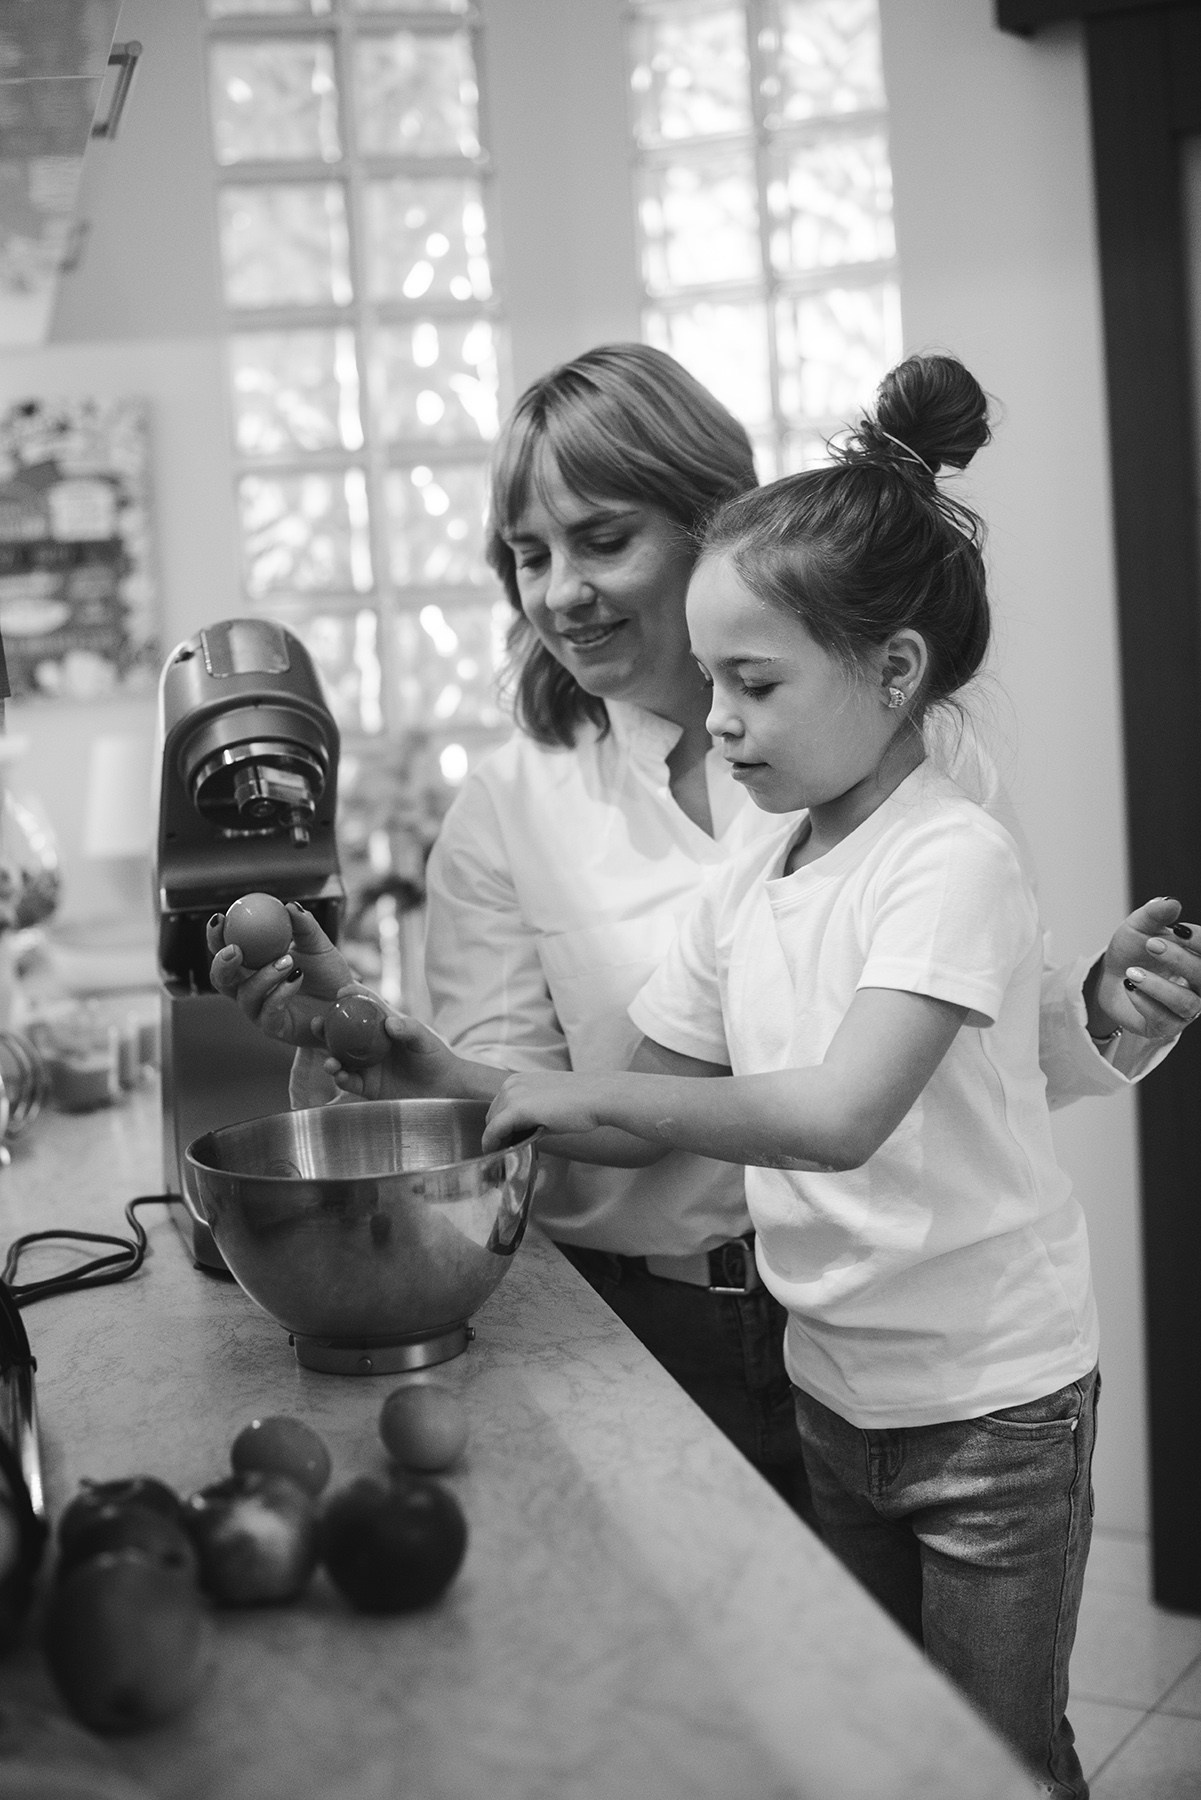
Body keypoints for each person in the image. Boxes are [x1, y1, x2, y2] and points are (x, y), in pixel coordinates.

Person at [207, 344, 1201, 1528]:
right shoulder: (513, 808)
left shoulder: (916, 773)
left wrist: (1091, 1010)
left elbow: (972, 1069)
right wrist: (383, 1048)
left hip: (910, 1343)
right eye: (528, 555)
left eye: (602, 538)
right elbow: (534, 1109)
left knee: (930, 1711)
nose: (559, 590)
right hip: (659, 1325)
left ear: (706, 525)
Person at [474, 354, 1105, 1796]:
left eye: (750, 684)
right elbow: (631, 1105)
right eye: (711, 684)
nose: (724, 721)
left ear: (892, 673)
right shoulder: (758, 868)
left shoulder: (952, 857)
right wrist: (421, 1059)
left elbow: (834, 1113)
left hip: (986, 1405)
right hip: (833, 1386)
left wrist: (575, 1096)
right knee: (879, 1745)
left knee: (990, 1761)